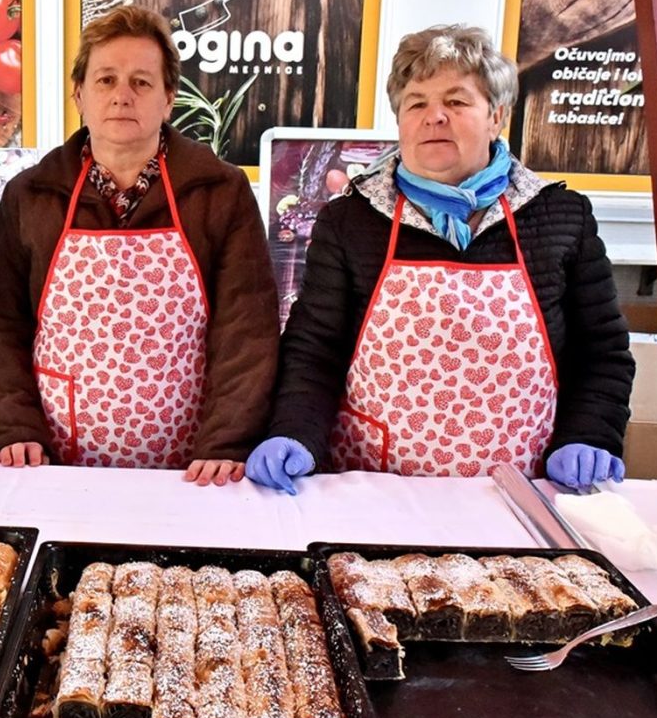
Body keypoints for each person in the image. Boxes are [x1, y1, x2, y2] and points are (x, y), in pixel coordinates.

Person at [247, 24, 635, 494]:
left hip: (522, 490)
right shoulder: (352, 220)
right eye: (417, 103)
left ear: (496, 116)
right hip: (374, 486)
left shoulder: (559, 216)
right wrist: (293, 431)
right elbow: (314, 350)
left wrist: (589, 435)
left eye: (456, 101)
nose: (435, 117)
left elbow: (601, 353)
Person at [0, 5, 279, 486]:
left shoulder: (220, 191)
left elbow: (247, 330)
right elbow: (0, 323)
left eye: (141, 82)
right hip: (56, 467)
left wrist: (227, 441)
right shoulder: (31, 194)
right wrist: (13, 427)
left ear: (168, 99)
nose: (122, 96)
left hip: (194, 471)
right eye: (105, 80)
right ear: (78, 94)